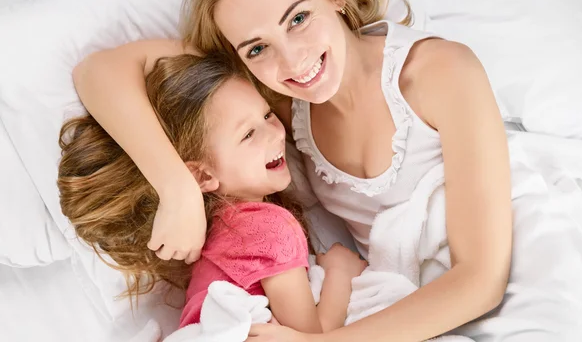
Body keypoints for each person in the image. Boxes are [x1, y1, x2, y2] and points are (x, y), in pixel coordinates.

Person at [73, 0, 582, 341]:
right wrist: (176, 186)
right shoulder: (276, 97)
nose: (292, 56)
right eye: (255, 47)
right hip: (408, 302)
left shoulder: (437, 72)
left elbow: (480, 280)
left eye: (298, 18)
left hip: (514, 267)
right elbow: (97, 73)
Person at [58, 52, 366, 331]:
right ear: (203, 175)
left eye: (268, 114)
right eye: (247, 135)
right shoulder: (270, 227)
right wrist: (341, 274)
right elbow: (311, 337)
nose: (274, 133)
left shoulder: (219, 229)